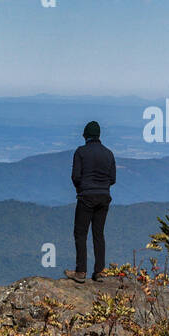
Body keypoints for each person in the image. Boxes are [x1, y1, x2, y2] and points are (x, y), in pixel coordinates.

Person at [65, 121, 115, 284]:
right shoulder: (109, 153)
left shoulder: (80, 152)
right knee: (98, 234)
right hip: (104, 197)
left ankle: (81, 272)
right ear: (99, 135)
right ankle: (100, 271)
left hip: (86, 196)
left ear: (86, 135)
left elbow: (76, 176)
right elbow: (112, 179)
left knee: (80, 234)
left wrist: (82, 190)